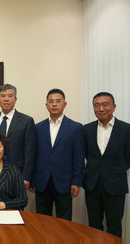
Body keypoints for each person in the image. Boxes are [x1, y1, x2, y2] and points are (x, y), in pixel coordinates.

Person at [83, 92, 130, 237]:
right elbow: (85, 155)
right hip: (92, 185)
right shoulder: (86, 130)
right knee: (93, 227)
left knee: (114, 227)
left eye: (105, 104)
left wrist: (114, 172)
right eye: (97, 105)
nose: (101, 108)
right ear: (93, 108)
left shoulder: (127, 129)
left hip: (115, 185)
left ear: (113, 107)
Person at [30, 89, 85, 221]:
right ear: (46, 105)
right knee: (42, 221)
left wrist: (76, 182)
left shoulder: (76, 128)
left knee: (64, 222)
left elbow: (79, 157)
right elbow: (33, 155)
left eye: (58, 101)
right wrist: (33, 179)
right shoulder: (37, 128)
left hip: (65, 182)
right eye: (51, 101)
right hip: (42, 182)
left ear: (64, 104)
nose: (54, 104)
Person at [0, 84, 37, 189]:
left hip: (17, 173)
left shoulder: (26, 121)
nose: (6, 99)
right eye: (3, 96)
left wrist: (26, 177)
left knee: (15, 205)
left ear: (15, 99)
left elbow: (30, 152)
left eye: (10, 96)